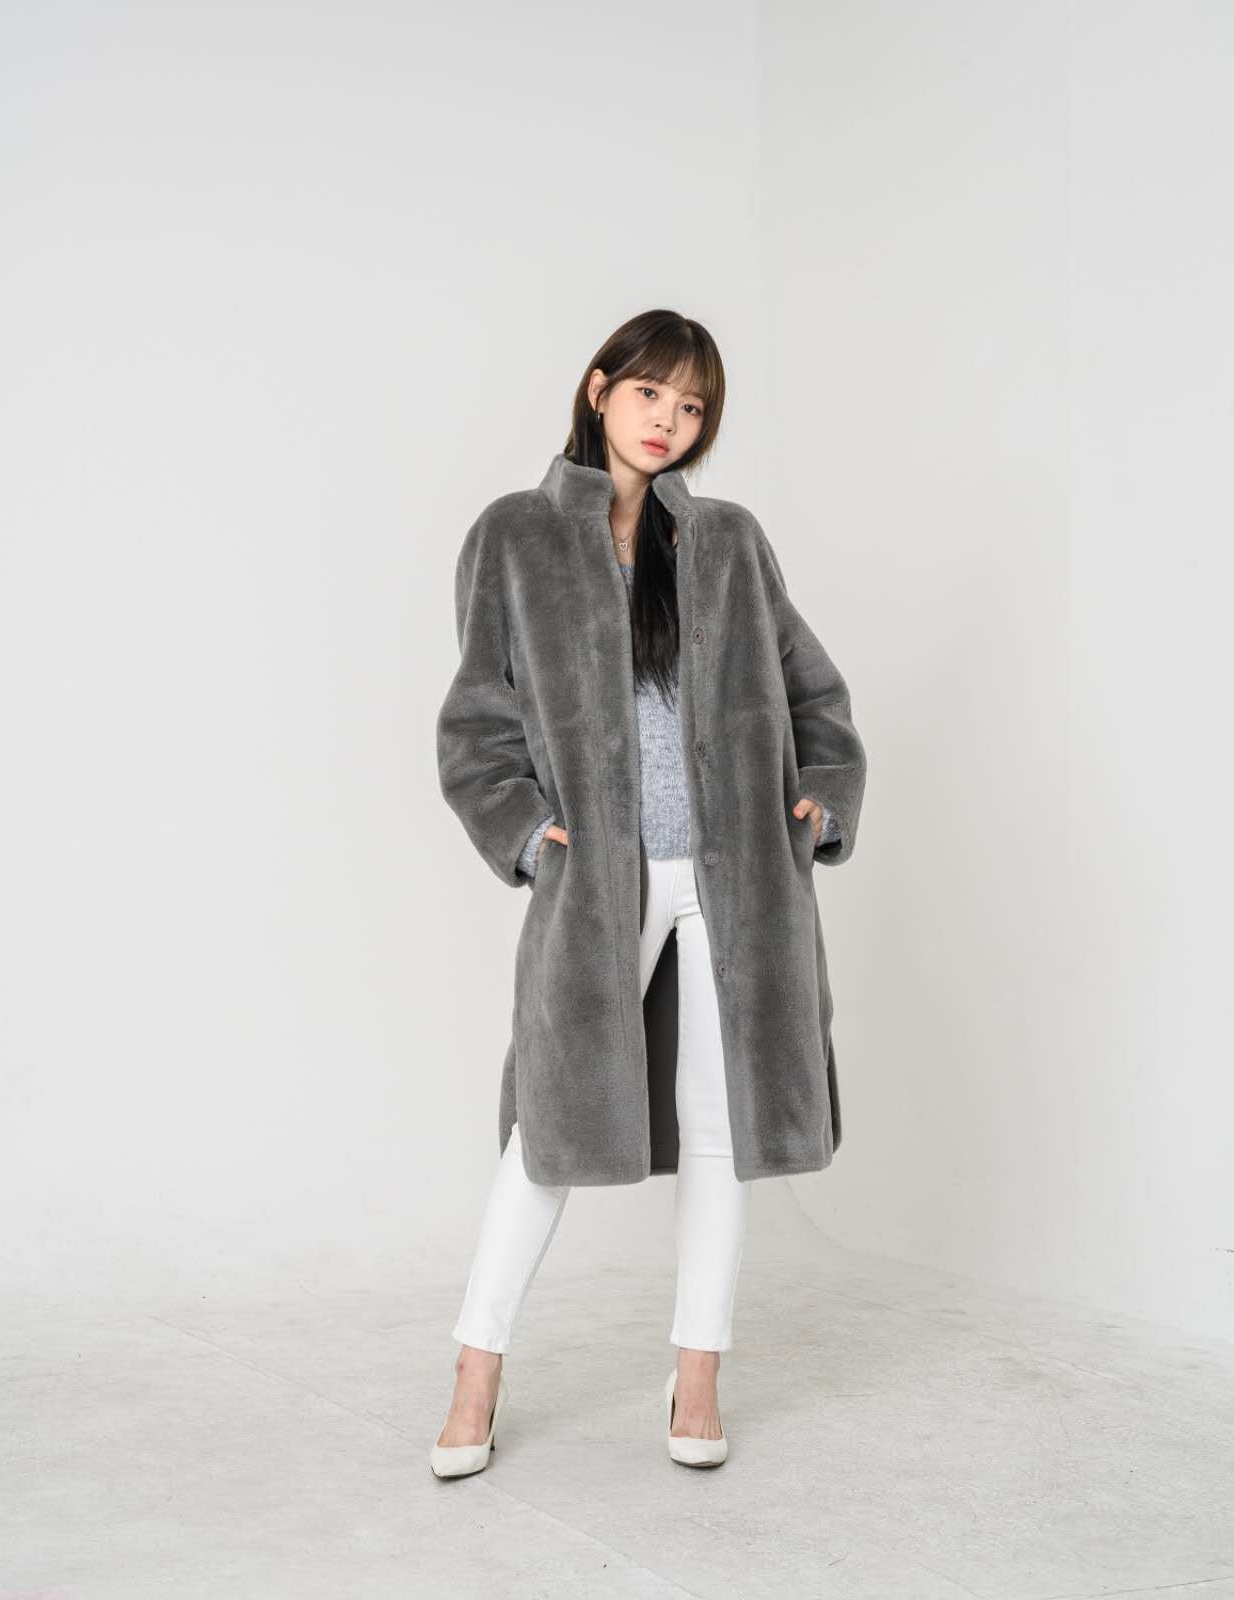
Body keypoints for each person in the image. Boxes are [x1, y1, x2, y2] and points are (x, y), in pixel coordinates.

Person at [430, 309, 865, 1477]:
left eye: (691, 405)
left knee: (720, 1132)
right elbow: (476, 721)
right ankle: (474, 1373)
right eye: (650, 393)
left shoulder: (726, 541)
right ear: (598, 388)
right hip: (596, 884)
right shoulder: (516, 536)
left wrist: (818, 797)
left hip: (736, 878)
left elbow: (813, 694)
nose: (669, 420)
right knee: (548, 1131)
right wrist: (528, 834)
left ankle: (697, 1375)